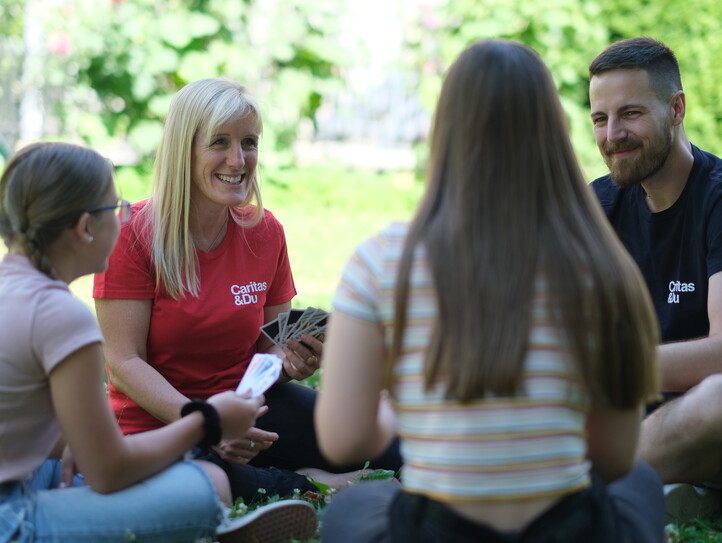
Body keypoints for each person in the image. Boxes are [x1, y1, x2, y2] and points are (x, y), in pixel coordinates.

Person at [314, 39, 666, 543]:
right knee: (641, 483)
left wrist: (405, 406)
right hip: (566, 530)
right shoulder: (604, 265)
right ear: (554, 134)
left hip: (435, 530)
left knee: (358, 504)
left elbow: (343, 439)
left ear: (445, 132)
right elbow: (612, 458)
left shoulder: (381, 261)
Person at [92, 77, 402, 503]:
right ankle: (309, 484)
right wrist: (205, 423)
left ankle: (286, 473)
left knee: (391, 444)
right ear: (186, 148)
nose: (238, 160)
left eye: (249, 143)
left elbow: (270, 346)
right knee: (205, 483)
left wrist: (290, 358)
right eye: (220, 142)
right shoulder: (132, 234)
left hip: (248, 407)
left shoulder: (266, 231)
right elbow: (124, 363)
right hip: (164, 425)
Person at [0, 141, 318, 543]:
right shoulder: (63, 317)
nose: (124, 217)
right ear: (85, 228)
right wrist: (207, 421)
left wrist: (73, 442)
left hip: (23, 475)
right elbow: (108, 471)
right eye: (116, 208)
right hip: (12, 520)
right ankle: (197, 522)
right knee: (207, 487)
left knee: (125, 469)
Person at [588, 37, 722, 506]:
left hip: (693, 414)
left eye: (631, 114)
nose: (612, 135)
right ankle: (657, 487)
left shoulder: (717, 198)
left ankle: (579, 484)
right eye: (600, 119)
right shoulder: (594, 206)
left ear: (677, 108)